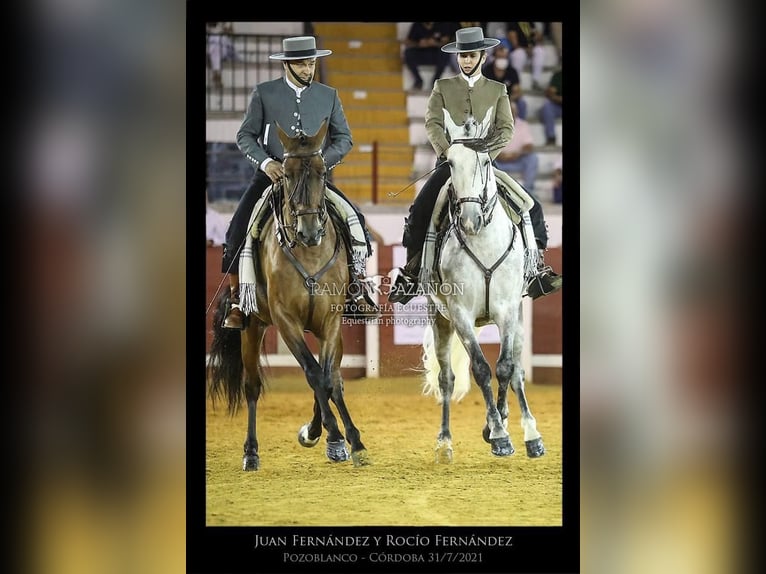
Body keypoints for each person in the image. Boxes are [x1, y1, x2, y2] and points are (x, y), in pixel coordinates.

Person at [388, 27, 562, 304]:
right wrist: (450, 152)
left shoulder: (497, 90)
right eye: (462, 56)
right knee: (419, 209)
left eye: (471, 56)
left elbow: (506, 128)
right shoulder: (442, 87)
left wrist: (485, 154)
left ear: (482, 56)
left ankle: (536, 269)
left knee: (531, 205)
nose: (466, 61)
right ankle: (410, 274)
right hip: (450, 165)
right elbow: (432, 124)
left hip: (484, 165)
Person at [220, 36, 378, 329]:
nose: (309, 69)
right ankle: (237, 302)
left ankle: (356, 288)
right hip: (272, 176)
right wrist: (267, 163)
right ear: (288, 65)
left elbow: (344, 139)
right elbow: (245, 136)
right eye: (303, 64)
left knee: (355, 219)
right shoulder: (265, 94)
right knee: (237, 229)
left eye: (312, 63)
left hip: (315, 178)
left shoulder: (328, 95)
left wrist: (321, 163)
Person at [493, 101, 539, 195]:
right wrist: (498, 154)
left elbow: (529, 146)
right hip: (499, 162)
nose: (510, 113)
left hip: (517, 160)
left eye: (512, 111)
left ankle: (528, 191)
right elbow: (489, 146)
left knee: (533, 158)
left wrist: (517, 154)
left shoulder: (523, 125)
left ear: (516, 112)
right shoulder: (493, 125)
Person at [480, 38, 527, 119]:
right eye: (499, 55)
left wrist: (508, 100)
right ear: (494, 55)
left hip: (508, 99)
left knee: (521, 104)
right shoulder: (487, 70)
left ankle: (519, 126)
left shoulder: (512, 71)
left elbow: (518, 91)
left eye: (504, 56)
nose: (502, 56)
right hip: (490, 100)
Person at [403, 23, 453, 91]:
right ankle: (418, 81)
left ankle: (436, 80)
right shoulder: (417, 25)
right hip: (422, 54)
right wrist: (418, 44)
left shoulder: (441, 25)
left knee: (445, 53)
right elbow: (408, 41)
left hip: (436, 55)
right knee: (408, 52)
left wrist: (435, 43)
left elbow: (447, 42)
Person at [540, 65, 562, 145]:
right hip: (558, 107)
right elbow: (550, 93)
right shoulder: (558, 76)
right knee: (547, 106)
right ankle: (551, 137)